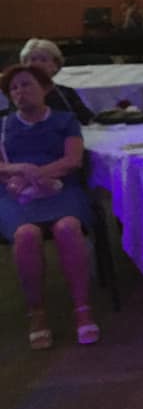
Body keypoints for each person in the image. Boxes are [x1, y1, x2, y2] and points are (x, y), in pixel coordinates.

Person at [0, 65, 100, 349]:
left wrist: (37, 174)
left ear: (45, 88)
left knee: (68, 228)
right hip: (16, 194)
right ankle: (37, 312)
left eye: (26, 84)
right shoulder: (3, 126)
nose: (20, 92)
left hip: (62, 189)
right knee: (26, 235)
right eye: (13, 88)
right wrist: (21, 170)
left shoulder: (65, 120)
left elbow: (73, 160)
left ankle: (82, 308)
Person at [19, 39, 94, 125]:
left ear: (55, 65)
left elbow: (86, 118)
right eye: (33, 59)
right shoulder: (18, 93)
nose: (38, 64)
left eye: (43, 60)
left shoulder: (66, 92)